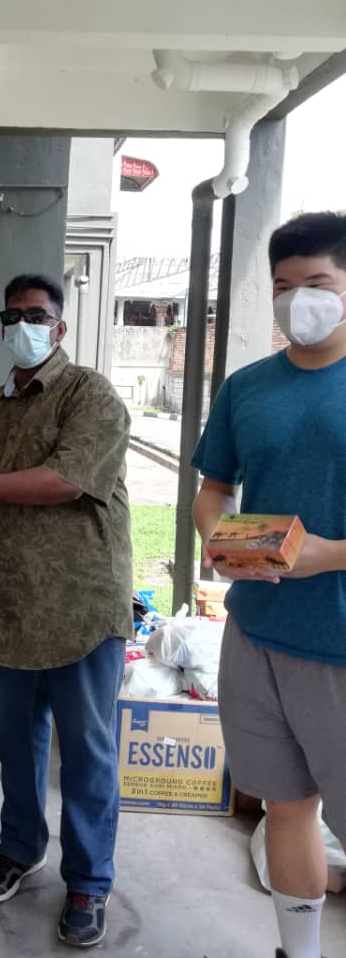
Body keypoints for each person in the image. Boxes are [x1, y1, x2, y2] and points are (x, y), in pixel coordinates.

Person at [0, 275, 132, 948]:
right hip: (5, 606)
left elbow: (65, 480)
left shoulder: (88, 395)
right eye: (11, 315)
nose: (22, 326)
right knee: (15, 743)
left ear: (59, 327)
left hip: (77, 609)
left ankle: (89, 879)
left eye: (35, 315)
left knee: (87, 753)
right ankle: (19, 846)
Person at [192, 211, 346, 958]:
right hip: (254, 633)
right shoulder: (248, 387)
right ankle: (299, 950)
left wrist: (331, 555)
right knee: (286, 808)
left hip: (338, 645)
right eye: (283, 286)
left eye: (317, 283)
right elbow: (212, 489)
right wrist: (215, 539)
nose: (296, 301)